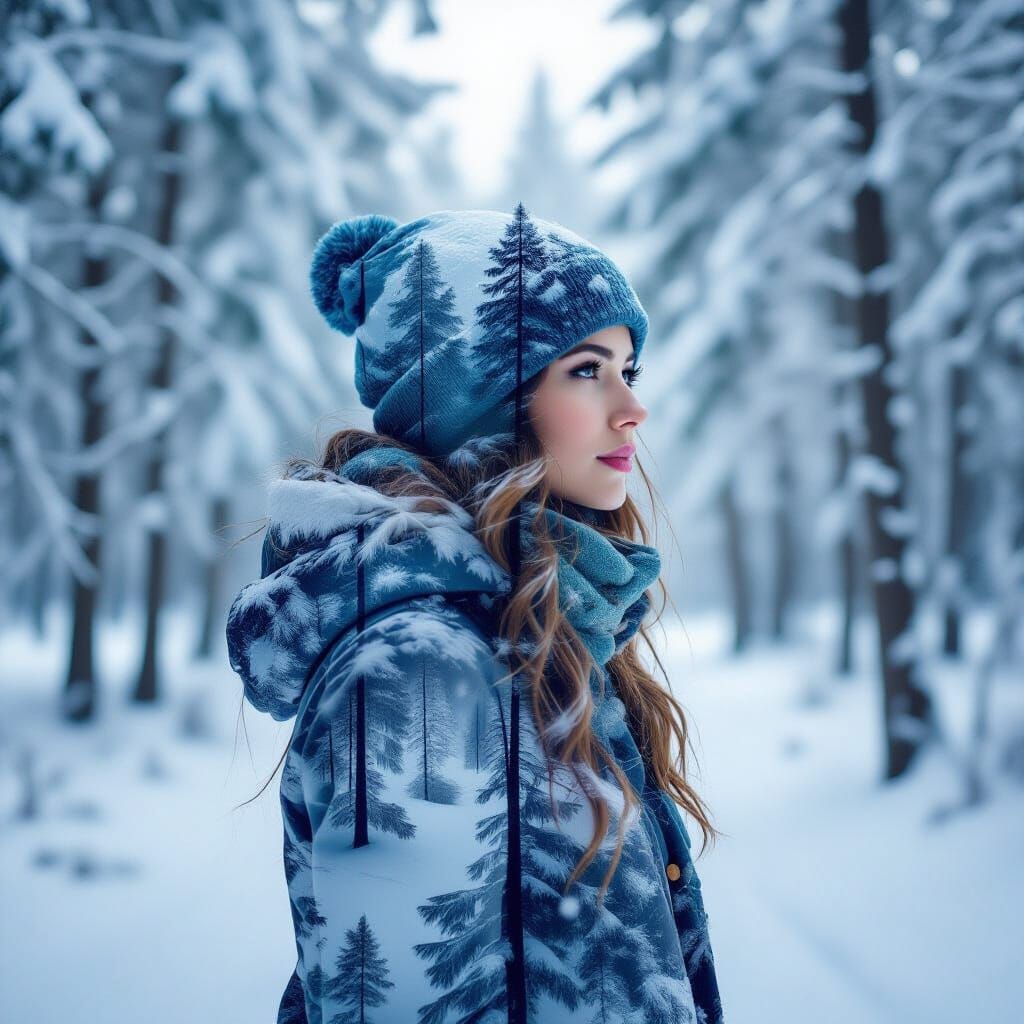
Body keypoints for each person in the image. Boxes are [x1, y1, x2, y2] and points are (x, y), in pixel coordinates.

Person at [226, 205, 725, 1023]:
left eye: (630, 371)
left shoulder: (529, 625)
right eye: (588, 370)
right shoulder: (418, 667)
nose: (632, 408)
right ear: (478, 399)